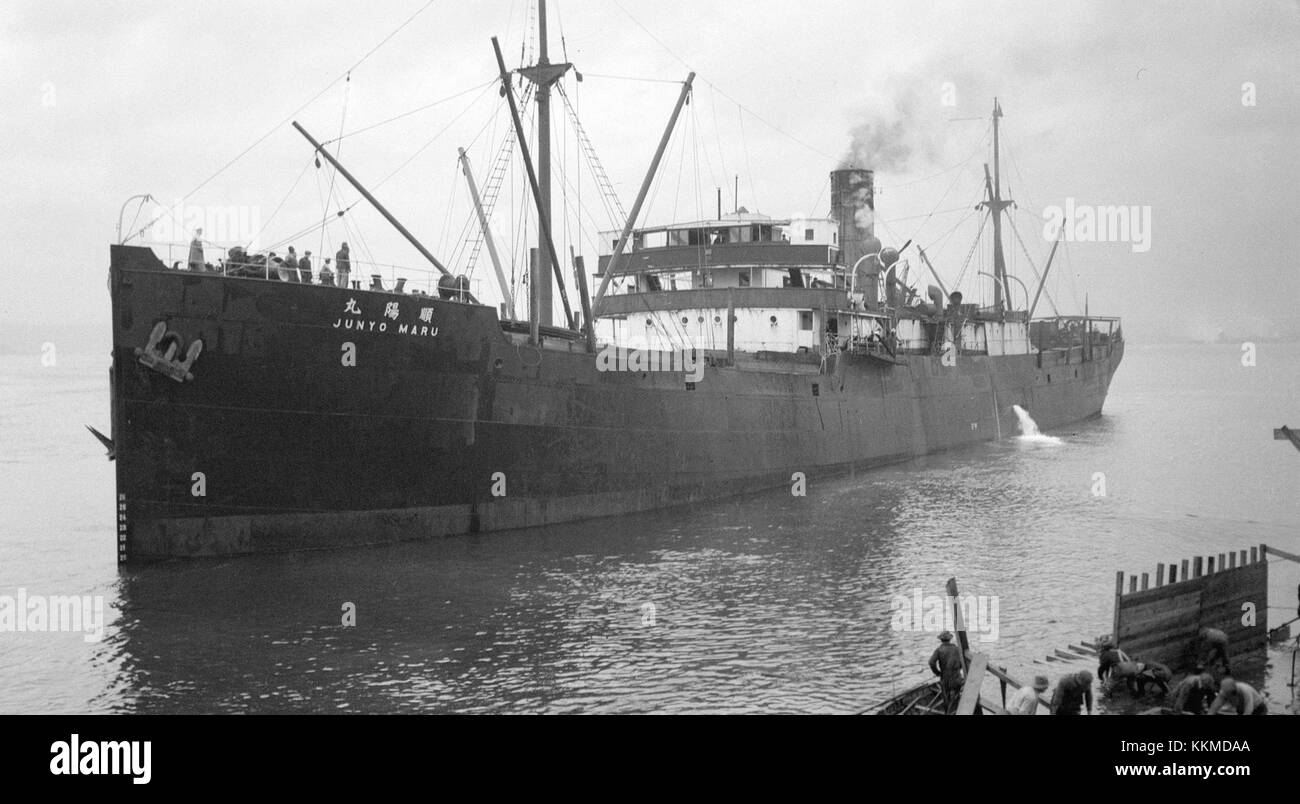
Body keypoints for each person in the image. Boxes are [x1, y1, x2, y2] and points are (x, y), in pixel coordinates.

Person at [928, 631, 965, 714]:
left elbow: (931, 662)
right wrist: (959, 667)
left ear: (941, 640)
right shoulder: (956, 649)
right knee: (956, 697)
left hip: (945, 679)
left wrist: (937, 673)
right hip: (957, 678)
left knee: (946, 699)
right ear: (950, 639)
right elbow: (963, 662)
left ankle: (948, 711)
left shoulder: (939, 650)